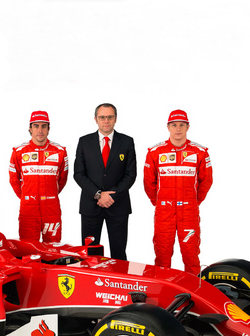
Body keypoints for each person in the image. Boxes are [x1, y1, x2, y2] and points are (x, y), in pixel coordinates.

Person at [144, 109, 212, 275]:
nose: (178, 129)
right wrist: (159, 202)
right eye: (174, 125)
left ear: (188, 127)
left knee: (191, 256)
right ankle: (162, 289)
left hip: (188, 212)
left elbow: (206, 181)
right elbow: (148, 182)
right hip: (164, 212)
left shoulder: (200, 152)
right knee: (162, 256)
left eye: (182, 125)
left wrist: (193, 202)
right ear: (168, 127)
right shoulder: (155, 152)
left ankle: (194, 289)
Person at [74, 103, 137, 260]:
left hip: (118, 206)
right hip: (90, 206)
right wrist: (98, 194)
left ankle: (119, 277)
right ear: (96, 119)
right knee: (90, 255)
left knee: (119, 254)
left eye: (110, 117)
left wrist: (111, 196)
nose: (106, 121)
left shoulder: (127, 142)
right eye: (102, 117)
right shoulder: (84, 141)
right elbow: (79, 174)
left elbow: (130, 175)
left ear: (115, 119)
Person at [9, 111, 69, 242]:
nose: (40, 130)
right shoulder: (18, 151)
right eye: (36, 126)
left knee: (52, 248)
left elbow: (62, 180)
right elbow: (14, 180)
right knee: (28, 248)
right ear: (30, 129)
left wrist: (49, 194)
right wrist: (27, 197)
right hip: (28, 209)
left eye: (44, 126)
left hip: (51, 208)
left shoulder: (60, 151)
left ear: (49, 129)